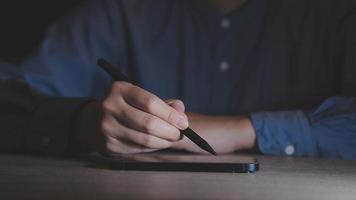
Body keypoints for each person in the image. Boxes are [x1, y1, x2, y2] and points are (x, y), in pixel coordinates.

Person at [0, 0, 355, 159]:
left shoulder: (334, 13)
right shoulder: (122, 11)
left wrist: (243, 130)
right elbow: (7, 100)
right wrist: (84, 122)